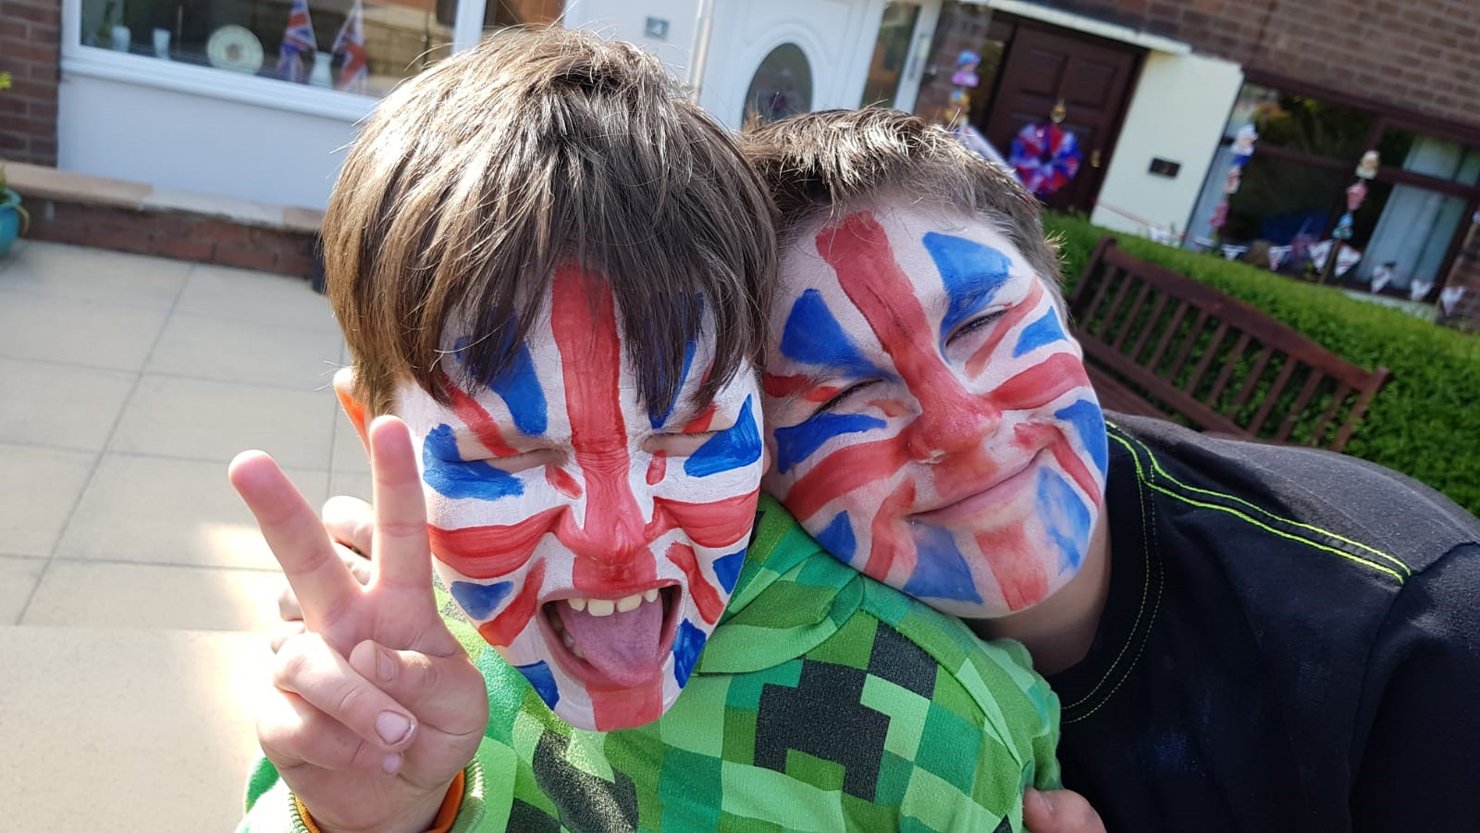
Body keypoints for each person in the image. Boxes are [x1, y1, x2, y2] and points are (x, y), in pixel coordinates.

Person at [232, 30, 1061, 833]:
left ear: (764, 421)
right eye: (512, 452)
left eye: (689, 434)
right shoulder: (380, 676)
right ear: (378, 437)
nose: (615, 537)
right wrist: (370, 821)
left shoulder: (941, 730)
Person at [738, 107, 1480, 832]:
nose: (960, 429)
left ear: (1062, 314)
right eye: (848, 391)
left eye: (977, 322)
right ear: (755, 458)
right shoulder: (736, 648)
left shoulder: (1412, 639)